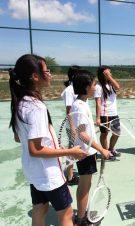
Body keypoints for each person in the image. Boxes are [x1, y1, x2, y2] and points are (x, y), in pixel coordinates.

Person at [8, 54, 86, 226]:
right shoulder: (36, 107)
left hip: (33, 172)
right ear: (35, 76)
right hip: (49, 174)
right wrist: (70, 151)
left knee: (40, 208)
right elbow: (35, 150)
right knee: (66, 214)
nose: (50, 74)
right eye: (47, 70)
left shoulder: (20, 102)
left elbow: (17, 137)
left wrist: (55, 146)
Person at [71, 69, 111, 226]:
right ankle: (81, 220)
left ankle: (81, 215)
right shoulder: (80, 106)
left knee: (84, 185)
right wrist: (102, 149)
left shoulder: (81, 103)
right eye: (94, 84)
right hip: (85, 153)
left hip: (85, 152)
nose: (96, 87)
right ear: (86, 87)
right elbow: (82, 134)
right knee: (85, 187)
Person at [94, 65, 121, 160]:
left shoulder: (111, 84)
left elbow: (118, 87)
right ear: (103, 74)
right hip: (104, 114)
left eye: (110, 73)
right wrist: (97, 117)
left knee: (117, 133)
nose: (110, 74)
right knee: (104, 134)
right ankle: (106, 152)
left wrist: (109, 77)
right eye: (108, 73)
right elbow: (97, 102)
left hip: (114, 113)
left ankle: (111, 149)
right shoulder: (98, 86)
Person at [61, 65, 81, 185]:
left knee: (75, 150)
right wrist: (73, 127)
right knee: (72, 151)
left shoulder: (78, 88)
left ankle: (71, 173)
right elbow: (69, 111)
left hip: (79, 125)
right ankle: (70, 177)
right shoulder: (70, 90)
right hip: (72, 126)